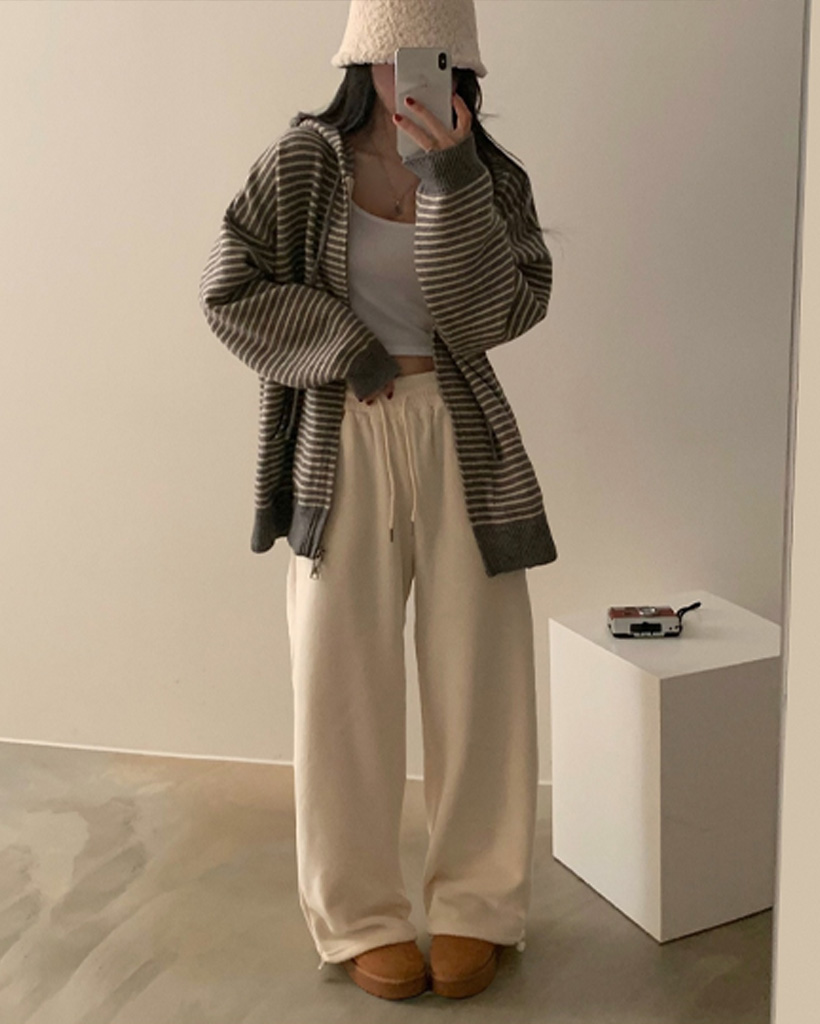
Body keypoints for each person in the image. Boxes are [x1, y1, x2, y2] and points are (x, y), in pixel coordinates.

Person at [198, 0, 558, 1002]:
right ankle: (359, 916)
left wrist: (450, 177)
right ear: (365, 60)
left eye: (437, 55)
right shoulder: (299, 164)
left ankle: (476, 903)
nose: (416, 70)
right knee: (341, 684)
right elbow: (229, 289)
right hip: (340, 437)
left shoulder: (488, 177)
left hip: (461, 436)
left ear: (463, 64)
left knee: (481, 677)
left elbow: (490, 313)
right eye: (400, 53)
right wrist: (344, 346)